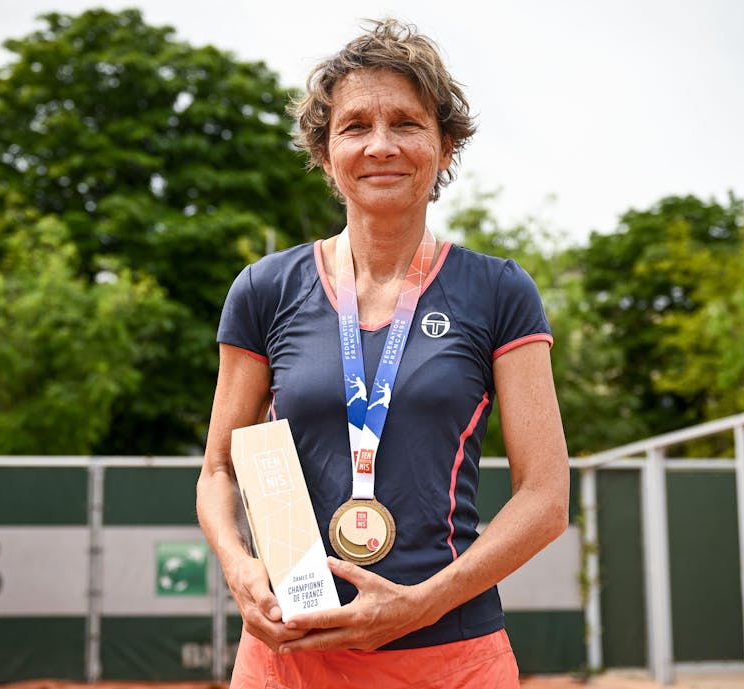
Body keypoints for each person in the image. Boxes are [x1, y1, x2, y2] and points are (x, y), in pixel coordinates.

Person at [196, 18, 569, 689]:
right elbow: (219, 467)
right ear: (324, 149)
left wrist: (423, 602)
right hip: (290, 657)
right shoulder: (265, 289)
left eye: (406, 122)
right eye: (355, 125)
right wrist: (239, 565)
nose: (381, 145)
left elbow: (545, 497)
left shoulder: (498, 290)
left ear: (445, 144)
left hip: (451, 655)